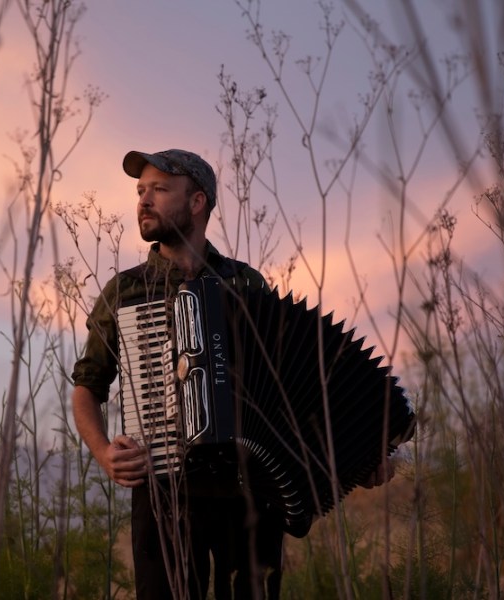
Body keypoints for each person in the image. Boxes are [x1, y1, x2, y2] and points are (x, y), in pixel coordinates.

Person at [71, 149, 393, 599]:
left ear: (197, 202)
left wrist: (358, 454)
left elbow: (293, 388)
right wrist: (104, 451)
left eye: (159, 190)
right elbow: (88, 385)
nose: (143, 201)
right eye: (140, 191)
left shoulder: (246, 284)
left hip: (249, 491)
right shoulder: (125, 290)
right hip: (163, 490)